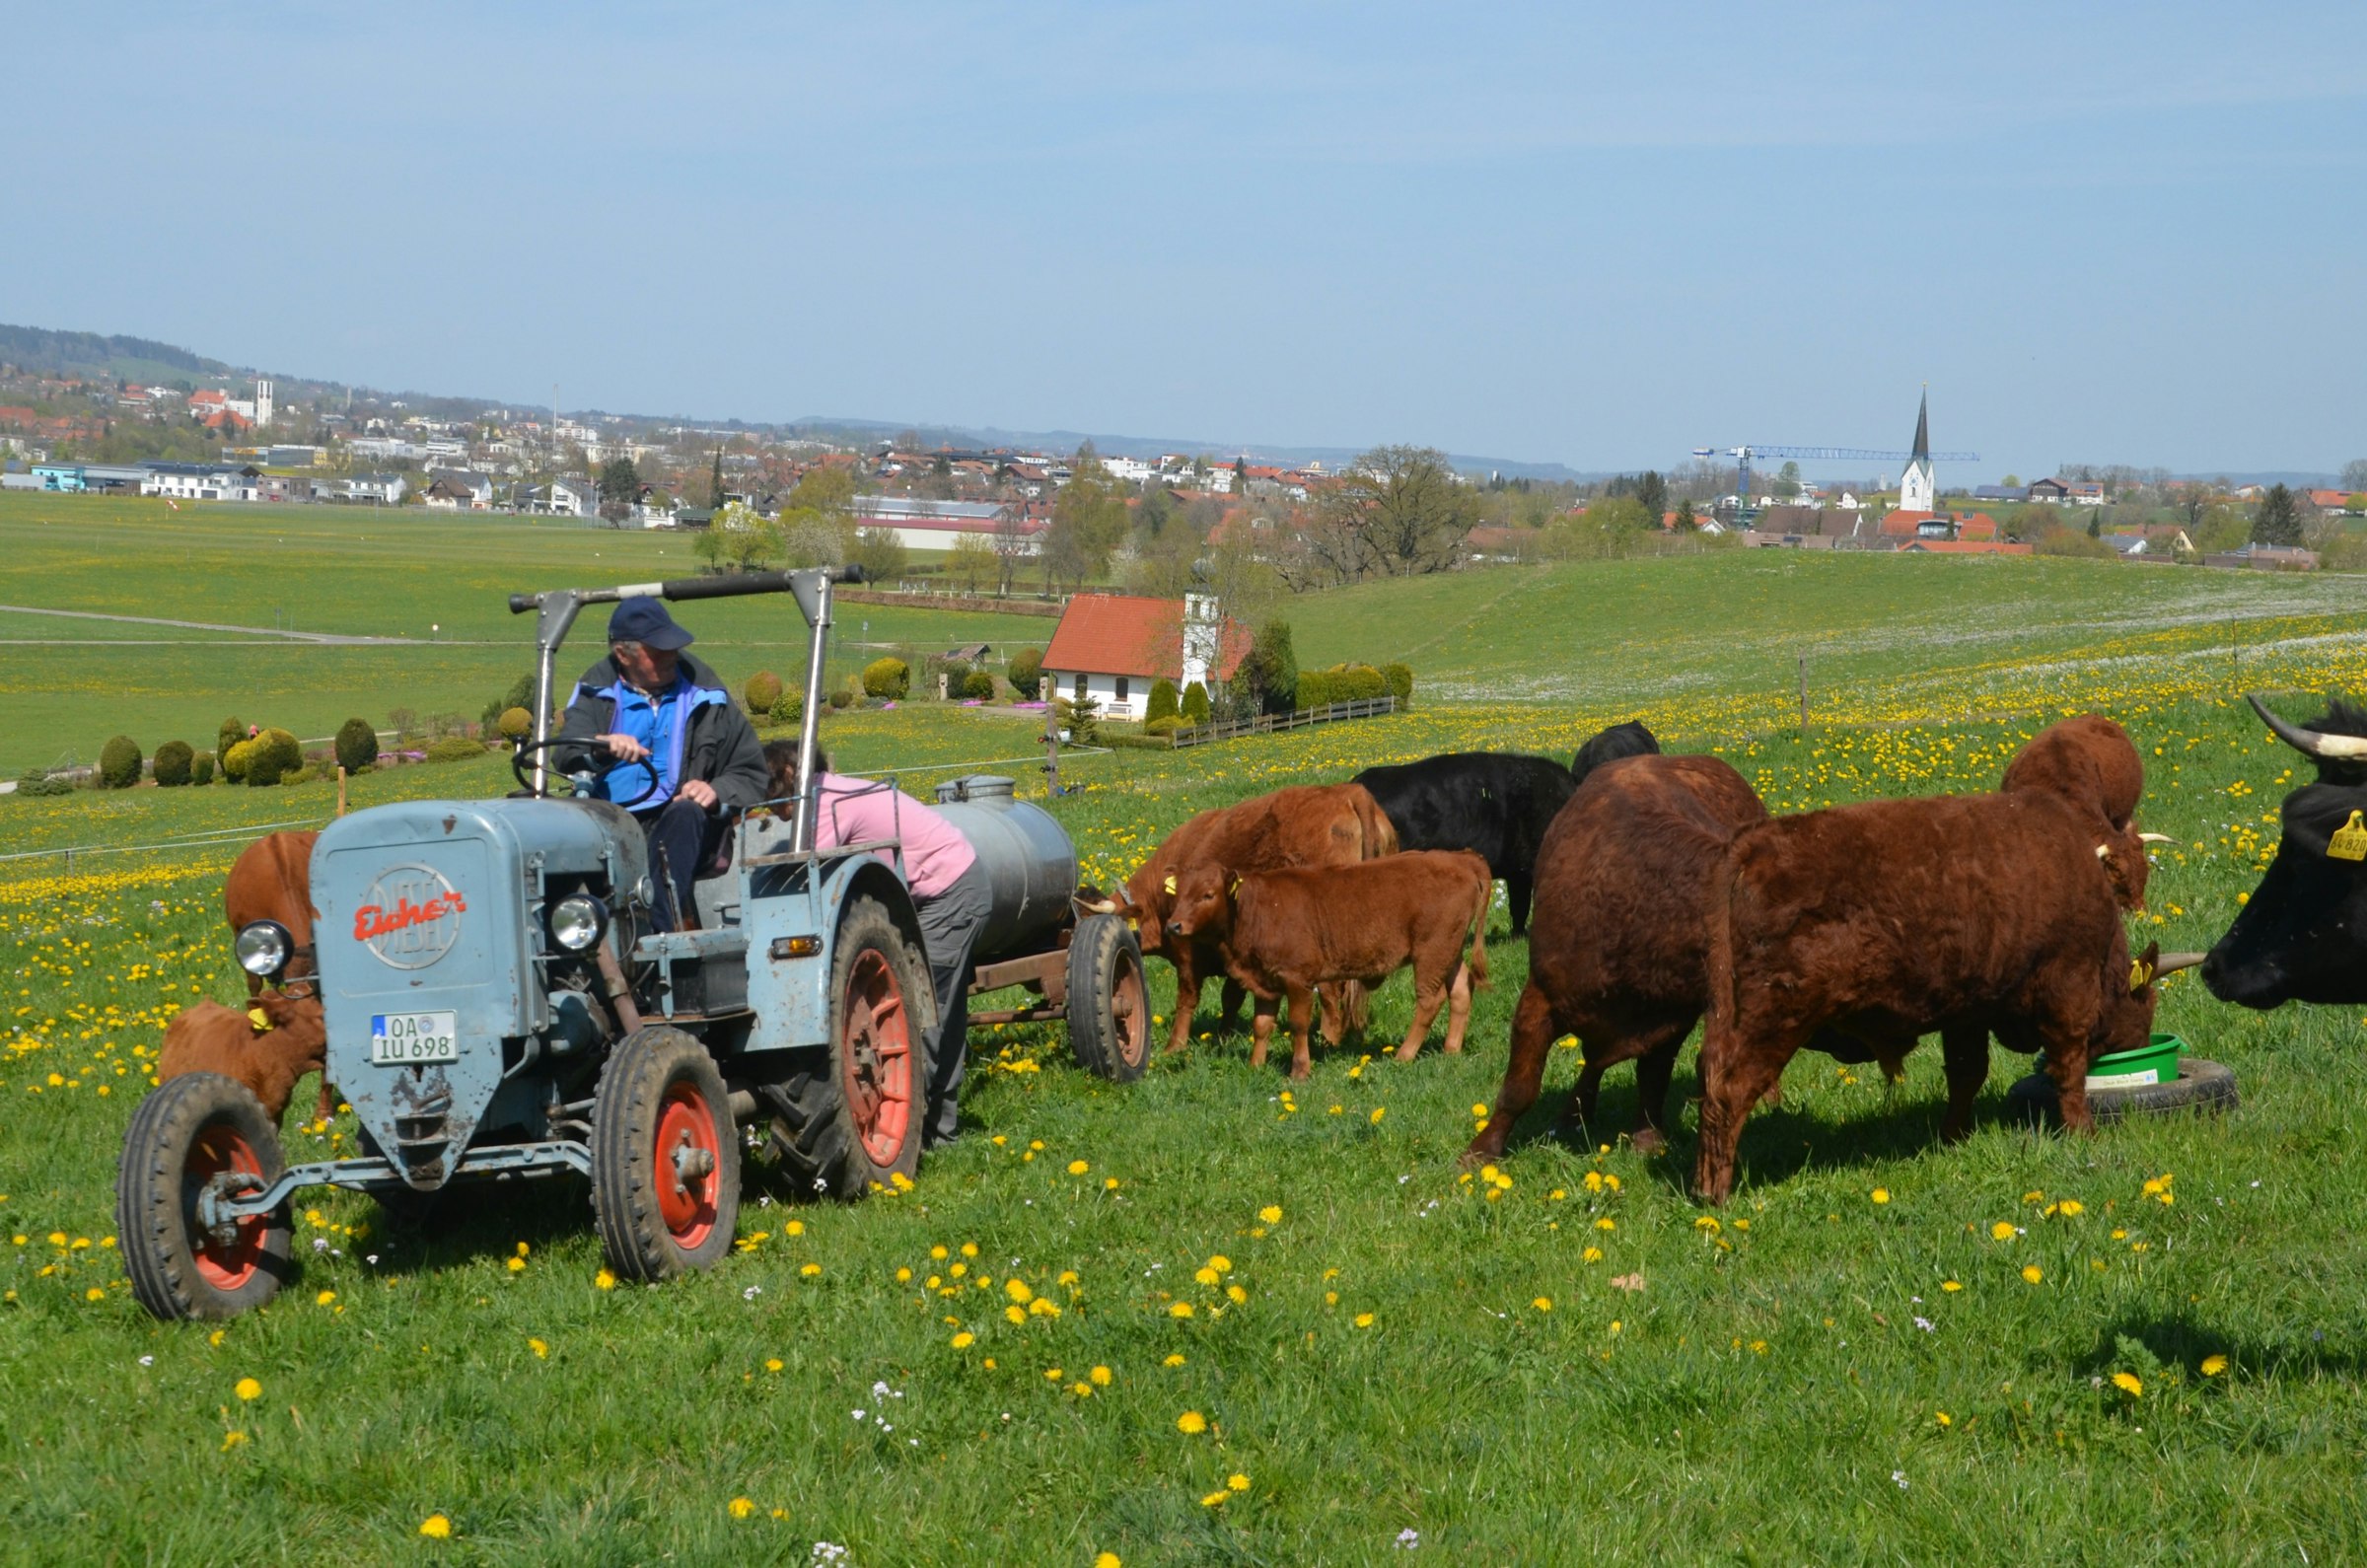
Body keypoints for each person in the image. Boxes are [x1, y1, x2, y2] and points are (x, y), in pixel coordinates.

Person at [767, 740, 986, 1147]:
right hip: (951, 882)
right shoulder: (834, 791)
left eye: (770, 795)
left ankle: (914, 1132)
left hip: (950, 889)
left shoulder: (828, 805)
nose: (773, 810)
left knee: (926, 1011)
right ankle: (939, 1132)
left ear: (785, 778)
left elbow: (807, 873)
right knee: (942, 1012)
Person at [554, 597, 767, 932]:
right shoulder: (595, 692)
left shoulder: (708, 696)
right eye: (657, 651)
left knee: (685, 813)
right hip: (608, 821)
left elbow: (751, 771)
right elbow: (565, 752)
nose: (670, 656)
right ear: (623, 655)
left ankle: (655, 933)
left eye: (672, 647)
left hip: (680, 823)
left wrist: (715, 790)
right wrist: (602, 745)